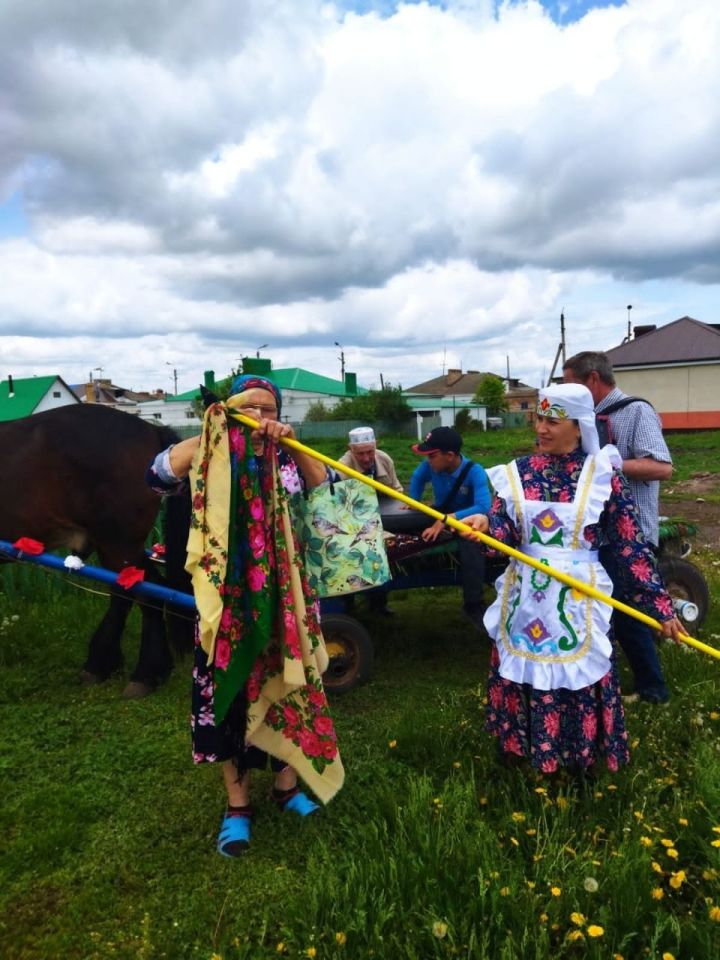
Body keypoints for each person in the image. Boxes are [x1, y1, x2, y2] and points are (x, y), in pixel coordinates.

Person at [146, 374, 344, 856]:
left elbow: (329, 494)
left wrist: (294, 445)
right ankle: (237, 806)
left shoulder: (291, 459)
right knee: (228, 696)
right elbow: (158, 474)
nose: (260, 417)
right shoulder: (211, 454)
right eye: (248, 407)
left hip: (288, 602)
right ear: (229, 409)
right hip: (227, 608)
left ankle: (286, 787)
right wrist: (216, 430)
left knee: (289, 688)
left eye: (269, 409)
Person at [461, 383, 684, 774]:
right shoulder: (518, 473)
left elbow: (629, 547)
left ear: (579, 427)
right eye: (539, 419)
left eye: (552, 420)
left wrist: (660, 607)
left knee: (579, 674)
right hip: (526, 597)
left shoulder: (602, 476)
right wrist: (485, 525)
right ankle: (520, 753)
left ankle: (578, 762)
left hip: (578, 598)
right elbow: (503, 533)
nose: (541, 429)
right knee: (523, 670)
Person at [563, 351, 673, 704]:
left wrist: (613, 464)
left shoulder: (635, 411)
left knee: (629, 613)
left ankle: (654, 690)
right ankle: (604, 685)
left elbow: (662, 468)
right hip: (598, 532)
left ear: (592, 379)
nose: (569, 393)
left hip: (632, 534)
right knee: (604, 612)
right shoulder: (585, 418)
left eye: (571, 385)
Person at [409, 426, 491, 627]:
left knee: (470, 543)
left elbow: (483, 506)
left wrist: (447, 519)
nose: (428, 460)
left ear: (450, 456)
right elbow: (418, 478)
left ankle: (473, 603)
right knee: (406, 524)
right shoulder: (431, 465)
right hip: (442, 513)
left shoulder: (475, 472)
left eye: (432, 455)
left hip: (469, 521)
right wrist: (413, 501)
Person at [339, 426, 403, 491]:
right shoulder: (342, 467)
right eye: (360, 453)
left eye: (370, 452)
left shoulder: (385, 460)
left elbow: (397, 490)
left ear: (376, 445)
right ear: (350, 449)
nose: (366, 459)